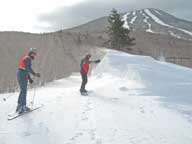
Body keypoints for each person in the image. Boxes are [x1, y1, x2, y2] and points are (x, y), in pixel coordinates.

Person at [16, 48, 40, 114]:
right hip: (22, 74)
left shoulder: (26, 58)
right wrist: (35, 74)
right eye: (34, 54)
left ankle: (19, 106)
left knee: (23, 90)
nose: (34, 56)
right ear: (31, 54)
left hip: (21, 73)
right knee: (24, 91)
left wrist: (30, 79)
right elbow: (27, 68)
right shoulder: (28, 59)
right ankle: (23, 107)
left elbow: (25, 69)